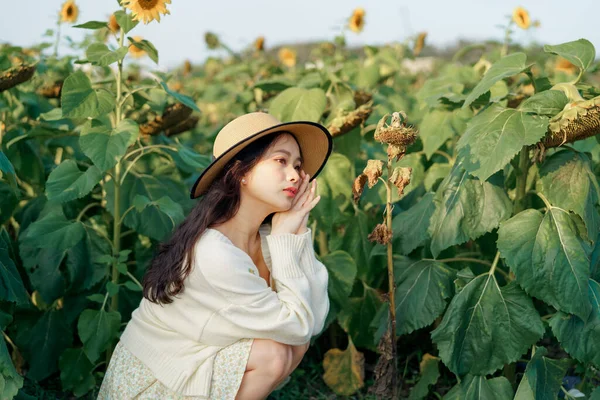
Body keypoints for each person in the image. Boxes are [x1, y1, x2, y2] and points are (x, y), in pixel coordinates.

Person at [98, 112, 333, 399]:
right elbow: (298, 325)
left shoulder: (267, 239)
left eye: (298, 165)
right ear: (241, 173)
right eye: (280, 161)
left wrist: (297, 235)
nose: (296, 175)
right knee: (273, 353)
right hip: (149, 386)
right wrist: (286, 237)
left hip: (189, 370)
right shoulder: (214, 252)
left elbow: (310, 322)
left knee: (290, 344)